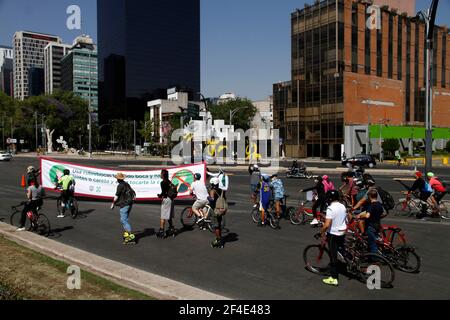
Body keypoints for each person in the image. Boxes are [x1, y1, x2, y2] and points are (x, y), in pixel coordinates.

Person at [319, 190, 349, 287]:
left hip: (334, 233)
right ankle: (349, 261)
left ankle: (334, 278)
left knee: (333, 256)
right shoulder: (342, 205)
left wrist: (321, 232)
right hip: (343, 231)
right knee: (341, 247)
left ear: (329, 198)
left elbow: (327, 224)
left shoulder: (330, 208)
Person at [111, 173, 136, 245]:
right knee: (125, 219)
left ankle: (130, 236)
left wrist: (113, 204)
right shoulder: (126, 184)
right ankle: (127, 234)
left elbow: (116, 196)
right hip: (130, 203)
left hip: (124, 204)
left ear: (118, 179)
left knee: (123, 220)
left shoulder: (120, 186)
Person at [355, 189, 383, 254]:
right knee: (375, 240)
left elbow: (367, 216)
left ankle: (375, 258)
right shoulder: (379, 204)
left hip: (371, 226)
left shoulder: (371, 206)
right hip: (377, 225)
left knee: (372, 244)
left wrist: (360, 216)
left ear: (370, 196)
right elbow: (381, 213)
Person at [156, 169, 176, 239]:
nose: (160, 175)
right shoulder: (169, 182)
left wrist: (160, 195)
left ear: (163, 175)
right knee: (169, 216)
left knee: (163, 217)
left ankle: (161, 231)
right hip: (171, 200)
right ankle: (171, 228)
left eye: (161, 174)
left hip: (166, 200)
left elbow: (164, 193)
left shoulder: (163, 182)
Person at [209, 177, 227, 248]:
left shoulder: (212, 191)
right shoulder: (222, 190)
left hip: (215, 210)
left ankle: (219, 241)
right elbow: (225, 198)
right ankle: (218, 239)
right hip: (221, 210)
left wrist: (208, 197)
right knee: (219, 225)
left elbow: (212, 200)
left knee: (216, 226)